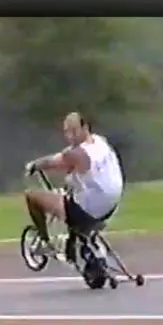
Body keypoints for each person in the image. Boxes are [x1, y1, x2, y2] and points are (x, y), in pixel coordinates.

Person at [23, 112, 125, 262]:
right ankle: (80, 239)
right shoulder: (100, 142)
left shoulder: (77, 154)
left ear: (85, 128)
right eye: (67, 132)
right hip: (111, 206)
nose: (70, 136)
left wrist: (34, 165)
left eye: (74, 131)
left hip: (88, 211)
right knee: (72, 191)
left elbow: (52, 162)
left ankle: (45, 242)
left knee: (32, 196)